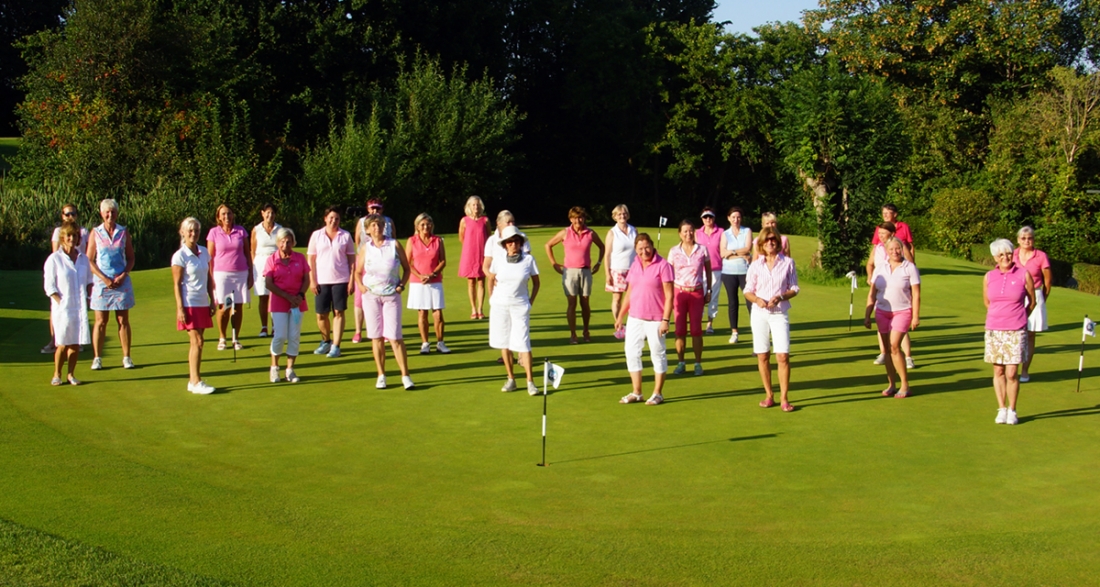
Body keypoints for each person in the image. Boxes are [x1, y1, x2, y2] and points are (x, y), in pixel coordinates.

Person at [744, 227, 800, 412]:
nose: (770, 243)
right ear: (761, 244)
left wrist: (781, 297)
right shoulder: (755, 265)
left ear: (778, 242)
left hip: (779, 313)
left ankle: (784, 398)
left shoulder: (788, 262)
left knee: (782, 356)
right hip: (759, 314)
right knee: (763, 355)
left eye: (773, 239)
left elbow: (794, 287)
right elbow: (748, 290)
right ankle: (769, 395)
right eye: (767, 240)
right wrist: (757, 300)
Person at [356, 214, 414, 389]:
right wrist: (361, 287)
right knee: (376, 337)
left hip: (391, 296)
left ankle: (405, 376)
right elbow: (357, 272)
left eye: (380, 224)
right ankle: (381, 375)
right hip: (371, 296)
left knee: (395, 337)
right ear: (367, 229)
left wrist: (401, 285)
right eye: (373, 225)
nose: (377, 228)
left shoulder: (394, 245)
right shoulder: (366, 248)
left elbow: (406, 268)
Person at [615, 233, 674, 405]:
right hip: (635, 317)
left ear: (652, 245)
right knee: (631, 352)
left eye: (647, 247)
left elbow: (670, 296)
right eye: (640, 249)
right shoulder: (635, 264)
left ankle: (657, 393)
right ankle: (637, 392)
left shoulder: (663, 265)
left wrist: (666, 320)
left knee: (657, 354)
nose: (644, 251)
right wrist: (620, 315)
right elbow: (630, 292)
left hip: (656, 319)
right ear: (635, 250)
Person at [984, 239, 1036, 425]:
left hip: (1016, 329)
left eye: (1008, 253)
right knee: (998, 370)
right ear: (995, 257)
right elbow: (987, 302)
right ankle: (1001, 408)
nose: (1005, 257)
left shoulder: (1023, 274)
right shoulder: (989, 276)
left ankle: (1012, 410)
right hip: (994, 328)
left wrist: (1021, 315)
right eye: (1001, 255)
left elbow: (1032, 300)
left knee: (1012, 372)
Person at [863, 237, 921, 398]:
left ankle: (905, 384)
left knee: (895, 346)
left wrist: (915, 316)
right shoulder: (880, 268)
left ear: (902, 249)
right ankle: (892, 384)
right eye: (891, 249)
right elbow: (872, 293)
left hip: (902, 311)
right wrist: (867, 315)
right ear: (886, 252)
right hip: (882, 311)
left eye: (897, 248)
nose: (895, 252)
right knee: (887, 349)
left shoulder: (909, 268)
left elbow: (916, 294)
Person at [487, 226, 541, 395]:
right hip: (500, 305)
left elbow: (536, 283)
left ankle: (530, 381)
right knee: (504, 343)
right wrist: (491, 298)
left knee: (523, 343)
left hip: (520, 306)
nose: (513, 244)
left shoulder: (528, 260)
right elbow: (491, 278)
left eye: (516, 241)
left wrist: (530, 301)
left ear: (520, 243)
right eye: (509, 242)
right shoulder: (498, 259)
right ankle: (511, 379)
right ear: (505, 245)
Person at [544, 206, 606, 343]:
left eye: (581, 217)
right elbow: (548, 245)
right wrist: (554, 263)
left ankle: (586, 330)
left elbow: (602, 246)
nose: (578, 220)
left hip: (585, 271)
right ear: (571, 219)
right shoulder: (565, 233)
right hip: (569, 272)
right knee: (572, 303)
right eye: (575, 218)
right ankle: (573, 334)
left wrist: (599, 263)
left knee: (585, 303)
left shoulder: (590, 233)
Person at [87, 198, 136, 370]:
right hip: (102, 283)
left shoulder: (123, 232)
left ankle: (126, 357)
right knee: (101, 321)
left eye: (113, 211)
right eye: (107, 212)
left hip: (121, 281)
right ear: (101, 213)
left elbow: (131, 258)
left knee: (123, 320)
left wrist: (124, 275)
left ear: (117, 213)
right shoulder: (96, 232)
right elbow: (90, 260)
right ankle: (97, 358)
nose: (110, 215)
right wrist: (104, 278)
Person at [171, 217, 216, 395]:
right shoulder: (179, 256)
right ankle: (196, 381)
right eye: (190, 230)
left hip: (202, 302)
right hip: (189, 302)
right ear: (182, 232)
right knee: (197, 341)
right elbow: (176, 284)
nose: (193, 234)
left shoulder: (204, 252)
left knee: (198, 342)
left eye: (196, 230)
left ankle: (193, 380)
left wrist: (212, 299)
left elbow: (209, 278)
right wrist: (180, 308)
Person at [44, 221, 93, 385]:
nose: (72, 238)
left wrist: (88, 297)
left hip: (79, 308)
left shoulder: (83, 258)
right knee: (62, 343)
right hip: (62, 309)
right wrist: (60, 301)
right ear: (63, 238)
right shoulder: (54, 259)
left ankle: (71, 374)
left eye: (75, 236)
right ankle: (57, 374)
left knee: (75, 343)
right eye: (69, 236)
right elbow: (49, 286)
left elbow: (89, 281)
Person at [866, 221, 916, 368]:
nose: (880, 236)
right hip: (882, 290)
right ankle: (884, 353)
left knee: (899, 328)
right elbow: (870, 264)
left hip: (900, 291)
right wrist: (870, 277)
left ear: (892, 233)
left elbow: (911, 264)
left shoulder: (900, 246)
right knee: (883, 323)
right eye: (879, 233)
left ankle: (907, 356)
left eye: (883, 233)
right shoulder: (877, 248)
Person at [308, 205, 356, 358]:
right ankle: (326, 341)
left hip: (341, 279)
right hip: (321, 280)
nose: (334, 221)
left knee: (338, 312)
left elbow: (352, 261)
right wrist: (312, 280)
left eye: (337, 219)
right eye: (331, 218)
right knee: (321, 314)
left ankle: (336, 345)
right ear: (325, 219)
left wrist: (351, 280)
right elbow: (311, 259)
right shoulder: (316, 235)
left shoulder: (346, 236)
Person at [42, 203, 89, 355]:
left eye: (73, 214)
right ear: (62, 216)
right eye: (67, 214)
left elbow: (87, 252)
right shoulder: (57, 231)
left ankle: (77, 340)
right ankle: (55, 341)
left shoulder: (83, 231)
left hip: (79, 269)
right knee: (58, 310)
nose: (70, 217)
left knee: (78, 309)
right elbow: (55, 252)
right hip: (63, 272)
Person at [264, 228, 310, 384]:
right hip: (279, 303)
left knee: (294, 336)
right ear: (277, 243)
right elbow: (269, 283)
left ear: (293, 242)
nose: (285, 244)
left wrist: (299, 296)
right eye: (282, 241)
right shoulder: (272, 259)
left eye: (288, 241)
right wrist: (287, 297)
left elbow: (306, 279)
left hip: (297, 303)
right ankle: (274, 367)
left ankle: (290, 369)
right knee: (280, 336)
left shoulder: (300, 258)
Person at [207, 204, 253, 352]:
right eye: (224, 214)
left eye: (229, 213)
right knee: (224, 307)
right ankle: (222, 338)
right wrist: (210, 277)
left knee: (238, 307)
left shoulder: (241, 231)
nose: (227, 217)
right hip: (221, 275)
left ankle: (235, 338)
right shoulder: (214, 233)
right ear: (219, 217)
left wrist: (251, 273)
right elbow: (210, 257)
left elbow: (247, 253)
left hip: (240, 273)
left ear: (233, 215)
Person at [668, 219, 711, 376]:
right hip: (679, 293)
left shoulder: (702, 250)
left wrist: (709, 291)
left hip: (697, 292)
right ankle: (681, 362)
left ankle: (698, 363)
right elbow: (668, 274)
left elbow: (708, 271)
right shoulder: (674, 251)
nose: (688, 234)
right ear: (680, 233)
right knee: (679, 330)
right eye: (685, 231)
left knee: (696, 330)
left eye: (691, 230)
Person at [352, 198, 395, 342]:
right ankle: (358, 331)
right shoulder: (362, 222)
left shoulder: (388, 221)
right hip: (366, 261)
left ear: (382, 209)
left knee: (383, 296)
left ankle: (385, 331)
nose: (375, 211)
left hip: (384, 261)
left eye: (377, 208)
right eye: (372, 208)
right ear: (368, 209)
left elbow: (393, 240)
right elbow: (358, 241)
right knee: (360, 298)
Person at [406, 213, 449, 354]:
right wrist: (420, 276)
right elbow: (408, 263)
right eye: (423, 224)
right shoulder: (412, 241)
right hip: (418, 283)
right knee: (422, 313)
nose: (426, 227)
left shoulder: (437, 240)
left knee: (437, 313)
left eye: (428, 224)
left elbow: (442, 261)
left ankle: (440, 343)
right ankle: (425, 343)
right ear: (417, 226)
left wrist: (433, 274)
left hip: (435, 281)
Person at [1014, 226, 1051, 383]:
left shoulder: (1041, 256)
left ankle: (1025, 371)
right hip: (1015, 295)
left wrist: (1041, 299)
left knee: (1029, 335)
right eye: (1023, 238)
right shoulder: (1012, 254)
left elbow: (1047, 282)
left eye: (1029, 238)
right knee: (1014, 333)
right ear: (1018, 240)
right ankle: (1012, 369)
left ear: (1033, 240)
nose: (1026, 241)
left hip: (1034, 294)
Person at [718, 206, 753, 344]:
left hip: (745, 271)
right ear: (729, 218)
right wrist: (739, 253)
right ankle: (734, 332)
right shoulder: (725, 234)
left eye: (738, 217)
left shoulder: (747, 231)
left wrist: (730, 252)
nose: (736, 220)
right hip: (728, 272)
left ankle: (756, 331)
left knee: (750, 301)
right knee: (733, 302)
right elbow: (722, 254)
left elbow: (748, 248)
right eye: (733, 217)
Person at [603, 204, 637, 333]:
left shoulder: (634, 230)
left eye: (624, 213)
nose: (622, 216)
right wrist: (607, 274)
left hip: (633, 270)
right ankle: (619, 324)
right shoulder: (612, 232)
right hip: (617, 270)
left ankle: (632, 325)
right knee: (617, 298)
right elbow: (607, 254)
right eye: (619, 214)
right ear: (615, 217)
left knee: (633, 299)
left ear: (627, 215)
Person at [250, 203, 282, 339]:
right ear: (262, 213)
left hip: (277, 265)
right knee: (263, 297)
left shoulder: (280, 229)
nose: (270, 215)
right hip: (260, 264)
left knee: (275, 296)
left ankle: (275, 326)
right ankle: (264, 327)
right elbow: (253, 250)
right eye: (267, 213)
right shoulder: (256, 230)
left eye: (272, 213)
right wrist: (254, 266)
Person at [458, 196, 490, 319]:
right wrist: (469, 247)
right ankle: (473, 309)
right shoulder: (464, 220)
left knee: (482, 281)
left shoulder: (485, 220)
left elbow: (488, 236)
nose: (476, 207)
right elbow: (461, 237)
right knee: (471, 282)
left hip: (483, 253)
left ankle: (480, 309)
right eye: (473, 205)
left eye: (478, 205)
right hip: (469, 254)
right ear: (469, 206)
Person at [696, 207, 724, 334]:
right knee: (699, 297)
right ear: (702, 219)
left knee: (713, 297)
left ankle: (709, 324)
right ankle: (698, 323)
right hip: (699, 269)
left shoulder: (721, 232)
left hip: (716, 269)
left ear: (714, 218)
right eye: (705, 217)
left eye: (710, 217)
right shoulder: (697, 233)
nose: (708, 219)